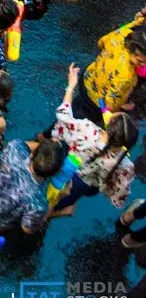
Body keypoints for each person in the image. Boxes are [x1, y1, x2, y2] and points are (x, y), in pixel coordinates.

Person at [50, 63, 137, 213]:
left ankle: (49, 214)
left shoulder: (87, 129)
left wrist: (71, 85)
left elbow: (63, 116)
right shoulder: (126, 165)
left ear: (108, 127)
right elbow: (118, 196)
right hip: (85, 184)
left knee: (52, 189)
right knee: (65, 201)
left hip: (67, 166)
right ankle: (57, 211)